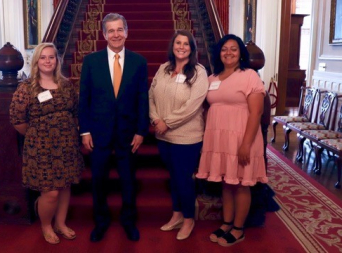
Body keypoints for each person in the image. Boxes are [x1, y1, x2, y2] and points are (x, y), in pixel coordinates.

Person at [78, 13, 149, 242]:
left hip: (128, 133)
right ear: (104, 34)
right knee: (98, 180)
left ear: (126, 32)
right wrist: (85, 131)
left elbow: (142, 98)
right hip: (98, 133)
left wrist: (141, 130)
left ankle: (128, 221)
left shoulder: (139, 62)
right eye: (111, 30)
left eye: (120, 30)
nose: (116, 34)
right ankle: (101, 222)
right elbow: (84, 98)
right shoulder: (91, 61)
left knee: (128, 179)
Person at [196, 34, 268, 247]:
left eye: (233, 49)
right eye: (224, 49)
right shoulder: (212, 78)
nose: (229, 52)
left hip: (241, 138)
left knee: (242, 185)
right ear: (219, 53)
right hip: (219, 140)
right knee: (227, 183)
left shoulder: (249, 76)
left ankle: (238, 229)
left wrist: (246, 143)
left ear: (240, 53)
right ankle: (227, 223)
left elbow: (256, 114)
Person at [10, 43, 84, 244]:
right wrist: (39, 135)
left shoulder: (66, 85)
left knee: (65, 185)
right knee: (50, 192)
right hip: (41, 149)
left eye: (51, 57)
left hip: (67, 145)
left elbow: (76, 113)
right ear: (36, 61)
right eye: (43, 57)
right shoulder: (26, 88)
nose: (48, 61)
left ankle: (60, 223)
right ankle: (46, 225)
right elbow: (18, 120)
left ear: (57, 60)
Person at [149, 30, 208, 240]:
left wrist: (168, 122)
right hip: (163, 137)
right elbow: (151, 96)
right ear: (172, 46)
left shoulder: (199, 72)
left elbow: (193, 105)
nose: (181, 47)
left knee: (183, 179)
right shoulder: (164, 68)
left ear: (192, 48)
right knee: (173, 178)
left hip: (187, 137)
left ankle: (189, 219)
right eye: (178, 43)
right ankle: (176, 215)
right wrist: (156, 120)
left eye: (186, 44)